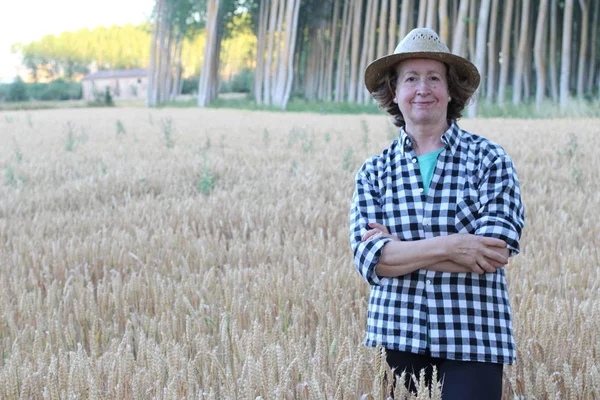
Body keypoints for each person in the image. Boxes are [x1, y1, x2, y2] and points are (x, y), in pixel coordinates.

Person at [349, 28, 525, 399]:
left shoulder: (489, 160)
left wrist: (400, 249)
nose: (422, 89)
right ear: (394, 92)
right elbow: (371, 260)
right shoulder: (374, 171)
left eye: (434, 78)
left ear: (451, 90)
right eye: (411, 78)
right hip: (396, 334)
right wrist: (455, 245)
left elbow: (493, 253)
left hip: (474, 336)